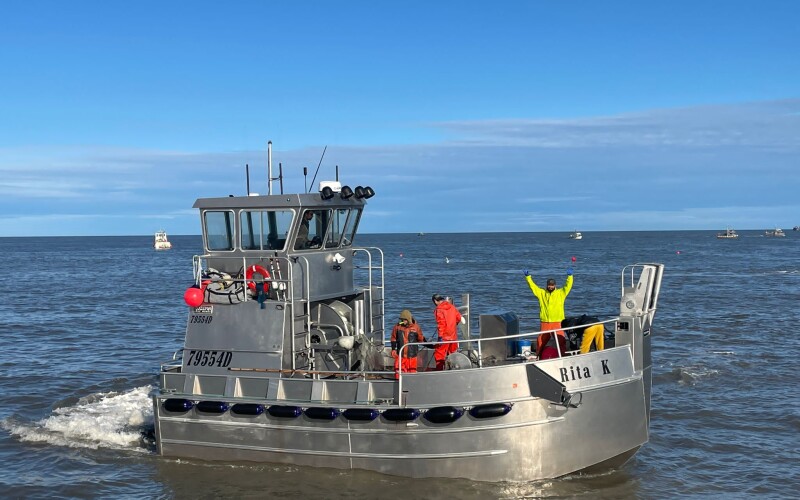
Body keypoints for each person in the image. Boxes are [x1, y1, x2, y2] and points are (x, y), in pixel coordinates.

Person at [524, 268, 573, 358]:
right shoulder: (541, 293)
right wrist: (528, 277)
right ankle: (539, 356)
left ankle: (562, 356)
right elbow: (533, 287)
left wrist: (569, 277)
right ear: (547, 285)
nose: (550, 286)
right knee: (541, 341)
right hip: (545, 322)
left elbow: (568, 286)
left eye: (552, 285)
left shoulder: (561, 293)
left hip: (557, 322)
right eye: (549, 285)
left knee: (561, 340)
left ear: (555, 285)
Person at [390, 309, 425, 378]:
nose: (402, 321)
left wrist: (432, 346)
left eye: (404, 320)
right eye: (402, 320)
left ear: (408, 319)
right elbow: (393, 338)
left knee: (411, 375)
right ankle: (399, 386)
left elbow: (421, 339)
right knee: (398, 374)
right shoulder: (397, 327)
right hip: (400, 355)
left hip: (412, 357)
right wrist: (393, 349)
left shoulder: (416, 327)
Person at [432, 294, 464, 371]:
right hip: (453, 336)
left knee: (439, 354)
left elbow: (441, 324)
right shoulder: (452, 307)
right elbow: (458, 318)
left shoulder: (439, 309)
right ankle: (453, 370)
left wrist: (440, 337)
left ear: (435, 301)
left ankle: (439, 371)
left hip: (444, 337)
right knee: (453, 354)